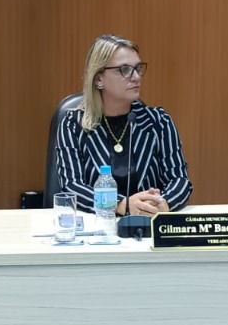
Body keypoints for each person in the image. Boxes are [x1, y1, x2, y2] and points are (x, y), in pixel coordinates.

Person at [55, 34, 192, 215]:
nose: (136, 77)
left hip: (148, 223)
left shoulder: (159, 122)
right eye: (124, 70)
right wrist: (121, 205)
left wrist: (163, 203)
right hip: (98, 226)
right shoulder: (73, 125)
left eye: (138, 68)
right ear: (98, 79)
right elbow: (71, 186)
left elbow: (180, 180)